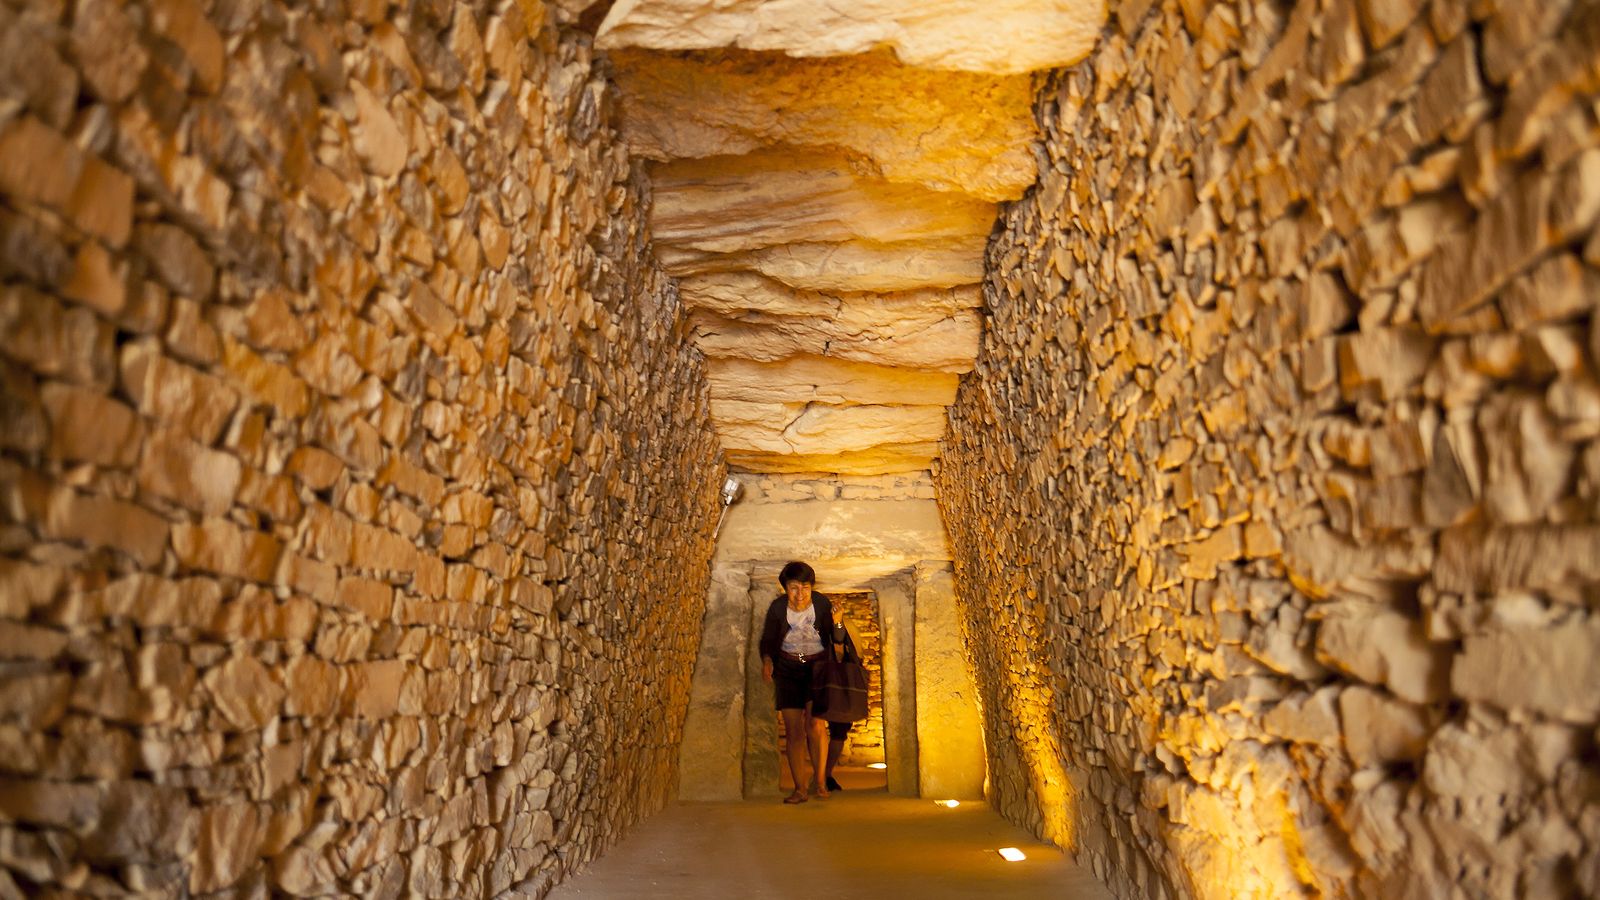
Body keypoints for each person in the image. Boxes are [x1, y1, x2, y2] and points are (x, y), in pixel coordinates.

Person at [759, 560, 841, 804]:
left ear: (811, 587)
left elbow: (837, 638)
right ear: (786, 588)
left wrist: (838, 620)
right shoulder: (777, 608)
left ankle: (821, 782)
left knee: (816, 725)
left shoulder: (822, 604)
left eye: (805, 587)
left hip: (817, 668)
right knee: (794, 731)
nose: (800, 594)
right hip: (787, 669)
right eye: (794, 588)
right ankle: (800, 789)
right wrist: (767, 660)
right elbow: (768, 639)